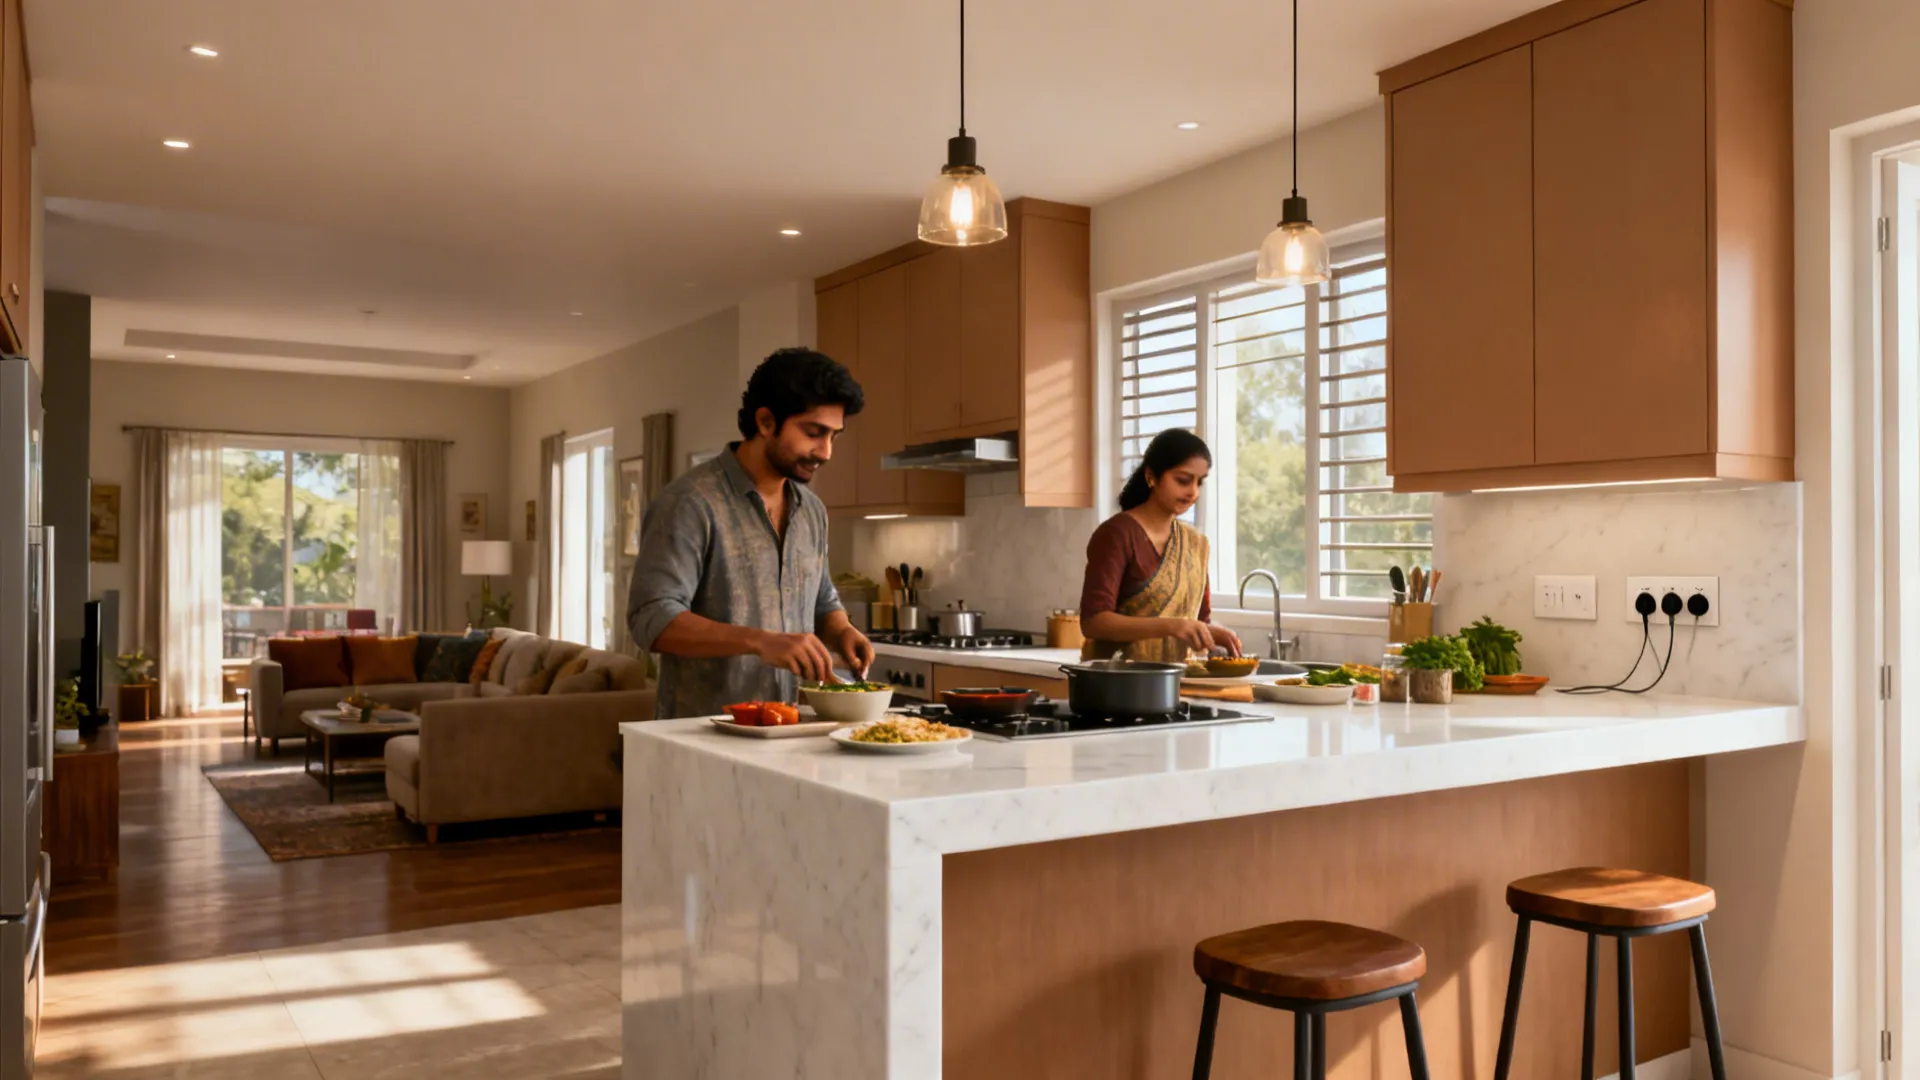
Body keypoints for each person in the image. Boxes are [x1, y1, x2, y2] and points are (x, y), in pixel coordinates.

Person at [627, 347, 876, 719]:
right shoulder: (690, 503)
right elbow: (652, 619)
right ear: (765, 421)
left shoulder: (812, 511)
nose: (825, 452)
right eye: (814, 433)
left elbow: (821, 599)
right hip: (705, 735)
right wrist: (759, 641)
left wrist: (841, 631)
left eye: (834, 437)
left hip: (794, 731)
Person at [1078, 428, 1242, 663]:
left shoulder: (1196, 543)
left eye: (1200, 482)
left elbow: (1198, 619)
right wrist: (1172, 626)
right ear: (1151, 477)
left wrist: (1213, 632)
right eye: (1183, 480)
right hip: (1115, 681)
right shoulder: (1117, 534)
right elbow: (1094, 622)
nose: (1193, 492)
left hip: (1177, 681)